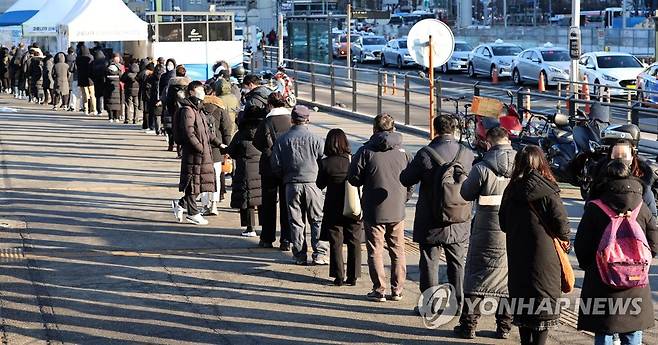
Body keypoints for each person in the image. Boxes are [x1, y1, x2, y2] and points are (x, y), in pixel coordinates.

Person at [575, 159, 657, 345]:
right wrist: (639, 263)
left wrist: (592, 268)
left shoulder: (595, 207)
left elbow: (582, 245)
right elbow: (654, 241)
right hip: (635, 282)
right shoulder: (641, 206)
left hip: (602, 281)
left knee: (604, 330)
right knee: (632, 330)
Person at [400, 114, 473, 309]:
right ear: (454, 129)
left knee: (429, 263)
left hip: (431, 218)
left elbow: (406, 179)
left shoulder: (426, 153)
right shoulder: (466, 153)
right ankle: (459, 304)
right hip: (459, 218)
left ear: (435, 129)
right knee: (457, 263)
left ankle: (429, 305)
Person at [499, 145, 571, 345]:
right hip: (545, 256)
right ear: (542, 163)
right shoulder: (549, 190)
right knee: (543, 305)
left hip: (517, 253)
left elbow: (503, 223)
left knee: (523, 301)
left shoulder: (511, 189)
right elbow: (562, 226)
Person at [455, 127, 514, 339]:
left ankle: (469, 325)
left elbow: (466, 193)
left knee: (476, 276)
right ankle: (504, 327)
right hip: (512, 230)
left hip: (485, 229)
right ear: (508, 140)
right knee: (508, 279)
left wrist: (462, 177)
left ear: (488, 144)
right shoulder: (521, 165)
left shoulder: (481, 168)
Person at [349, 113, 411, 302]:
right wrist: (404, 198)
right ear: (393, 129)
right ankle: (397, 289)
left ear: (374, 129)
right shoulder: (404, 153)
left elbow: (353, 178)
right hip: (397, 208)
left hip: (373, 208)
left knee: (375, 249)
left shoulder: (366, 151)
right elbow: (410, 182)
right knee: (398, 249)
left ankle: (379, 289)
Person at [271, 105, 329, 265]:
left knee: (296, 221)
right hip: (313, 184)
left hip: (291, 184)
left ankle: (299, 255)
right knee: (317, 219)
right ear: (308, 119)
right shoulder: (316, 139)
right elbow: (325, 163)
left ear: (292, 120)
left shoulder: (282, 140)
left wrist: (285, 176)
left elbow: (275, 165)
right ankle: (319, 253)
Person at [171, 81, 223, 225]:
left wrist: (219, 143)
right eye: (199, 90)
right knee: (193, 182)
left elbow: (207, 132)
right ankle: (192, 213)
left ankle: (181, 204)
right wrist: (200, 147)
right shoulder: (188, 110)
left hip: (203, 152)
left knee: (201, 182)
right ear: (192, 92)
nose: (202, 92)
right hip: (194, 153)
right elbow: (189, 133)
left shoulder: (198, 109)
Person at [317, 128, 363, 286]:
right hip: (352, 206)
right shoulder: (352, 160)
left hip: (333, 207)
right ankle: (353, 276)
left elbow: (319, 184)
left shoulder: (325, 163)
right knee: (354, 240)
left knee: (335, 241)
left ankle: (338, 276)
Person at [253, 92, 292, 250]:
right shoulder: (291, 120)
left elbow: (258, 142)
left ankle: (267, 238)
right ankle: (286, 239)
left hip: (269, 167)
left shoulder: (268, 121)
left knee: (268, 203)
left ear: (270, 104)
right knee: (287, 204)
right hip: (288, 167)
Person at [227, 101, 263, 237]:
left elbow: (231, 151)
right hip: (262, 169)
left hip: (244, 170)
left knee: (246, 200)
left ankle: (250, 228)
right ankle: (265, 227)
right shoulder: (264, 131)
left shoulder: (241, 133)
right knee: (262, 199)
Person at [200, 84, 233, 216]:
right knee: (216, 177)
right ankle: (214, 205)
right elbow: (227, 130)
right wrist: (227, 148)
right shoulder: (220, 109)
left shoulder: (198, 108)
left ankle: (204, 204)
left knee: (202, 177)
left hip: (201, 147)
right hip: (217, 148)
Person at [164, 65, 191, 154]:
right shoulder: (189, 85)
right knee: (186, 128)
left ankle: (178, 149)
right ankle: (184, 149)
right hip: (186, 109)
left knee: (176, 129)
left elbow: (168, 99)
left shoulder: (171, 84)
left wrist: (171, 111)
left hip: (175, 110)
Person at [75, 45, 95, 115]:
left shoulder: (78, 58)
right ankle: (93, 109)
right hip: (90, 79)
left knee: (84, 95)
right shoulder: (91, 57)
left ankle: (86, 109)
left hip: (81, 78)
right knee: (92, 94)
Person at [91, 49, 107, 116]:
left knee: (98, 96)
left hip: (96, 81)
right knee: (105, 95)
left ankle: (99, 110)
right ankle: (105, 108)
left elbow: (90, 72)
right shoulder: (105, 62)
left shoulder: (93, 63)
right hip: (104, 80)